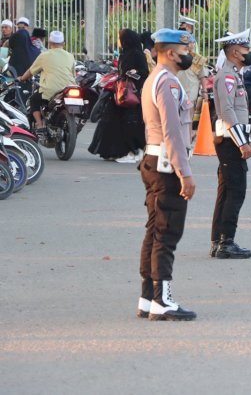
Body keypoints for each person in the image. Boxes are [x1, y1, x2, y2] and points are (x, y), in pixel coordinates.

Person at [137, 28, 197, 321]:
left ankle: (147, 297)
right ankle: (163, 300)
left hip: (153, 160)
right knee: (167, 232)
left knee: (155, 230)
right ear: (171, 53)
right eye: (185, 51)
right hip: (166, 165)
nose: (189, 55)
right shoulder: (168, 83)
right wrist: (184, 173)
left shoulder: (155, 78)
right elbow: (173, 131)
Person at [210, 29, 251, 259]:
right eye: (246, 49)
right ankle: (226, 242)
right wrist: (242, 144)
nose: (250, 52)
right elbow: (228, 111)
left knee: (226, 190)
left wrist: (246, 140)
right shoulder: (227, 76)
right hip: (230, 141)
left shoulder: (234, 74)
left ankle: (218, 240)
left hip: (232, 139)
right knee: (235, 192)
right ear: (236, 52)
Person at [88, 29, 149, 162]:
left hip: (133, 93)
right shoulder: (124, 54)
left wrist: (134, 72)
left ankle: (133, 152)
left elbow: (145, 72)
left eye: (120, 38)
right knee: (112, 121)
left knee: (130, 123)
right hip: (120, 92)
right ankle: (115, 152)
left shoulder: (137, 54)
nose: (118, 41)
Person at [17, 31, 76, 133]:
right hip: (69, 88)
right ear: (63, 43)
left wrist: (22, 78)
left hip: (51, 90)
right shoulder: (70, 56)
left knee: (34, 100)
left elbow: (31, 71)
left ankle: (40, 125)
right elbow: (73, 74)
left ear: (49, 43)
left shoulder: (44, 55)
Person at [177, 32, 209, 129]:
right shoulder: (177, 56)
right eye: (188, 43)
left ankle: (187, 139)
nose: (191, 45)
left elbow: (203, 76)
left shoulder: (198, 59)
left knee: (188, 118)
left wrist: (205, 91)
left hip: (190, 92)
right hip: (177, 91)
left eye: (192, 42)